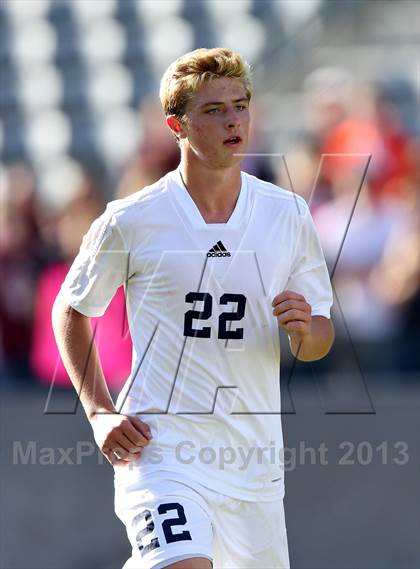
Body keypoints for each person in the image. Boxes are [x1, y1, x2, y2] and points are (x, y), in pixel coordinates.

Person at [52, 47, 334, 569]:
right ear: (175, 125)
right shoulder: (131, 219)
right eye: (213, 110)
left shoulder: (287, 214)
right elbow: (71, 309)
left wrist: (304, 331)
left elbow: (319, 337)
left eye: (240, 105)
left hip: (253, 464)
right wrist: (98, 412)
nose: (233, 120)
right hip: (161, 455)